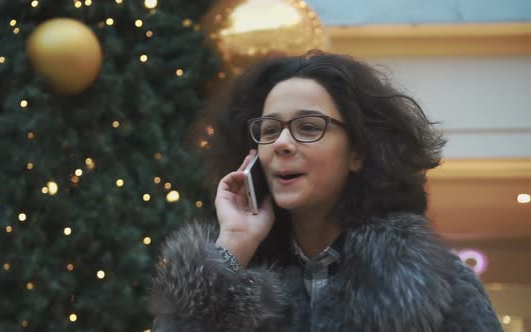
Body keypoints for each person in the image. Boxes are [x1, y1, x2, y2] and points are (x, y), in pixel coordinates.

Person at [148, 51, 503, 331]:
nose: (282, 143)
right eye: (270, 130)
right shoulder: (241, 276)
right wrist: (233, 245)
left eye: (308, 126)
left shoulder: (437, 285)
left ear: (358, 152)